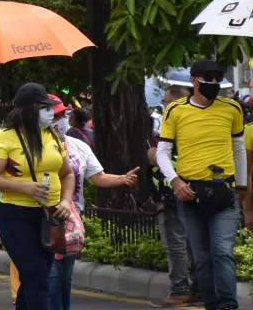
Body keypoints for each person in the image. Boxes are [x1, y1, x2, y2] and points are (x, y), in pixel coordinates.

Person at [156, 60, 248, 310]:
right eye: (209, 78)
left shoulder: (232, 108)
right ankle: (212, 304)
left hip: (223, 192)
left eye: (218, 78)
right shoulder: (175, 110)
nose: (215, 83)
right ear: (194, 80)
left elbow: (238, 148)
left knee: (222, 252)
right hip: (188, 193)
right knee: (202, 258)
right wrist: (175, 181)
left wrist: (241, 187)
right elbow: (163, 151)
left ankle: (228, 305)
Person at [0, 84, 75, 310]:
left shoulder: (51, 135)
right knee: (37, 274)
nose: (50, 113)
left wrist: (66, 201)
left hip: (49, 216)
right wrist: (24, 188)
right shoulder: (5, 136)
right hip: (15, 215)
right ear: (28, 109)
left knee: (33, 278)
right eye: (44, 107)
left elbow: (67, 173)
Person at [49, 111, 138, 310]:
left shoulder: (78, 146)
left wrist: (123, 179)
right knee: (51, 277)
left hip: (70, 221)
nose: (59, 121)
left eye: (61, 115)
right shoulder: (36, 146)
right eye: (53, 116)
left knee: (65, 277)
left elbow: (99, 177)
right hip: (44, 219)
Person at [148, 84, 197, 307]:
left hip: (171, 195)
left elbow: (158, 156)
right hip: (195, 192)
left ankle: (180, 290)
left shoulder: (174, 126)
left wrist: (152, 153)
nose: (164, 107)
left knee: (175, 243)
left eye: (166, 103)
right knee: (195, 243)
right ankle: (198, 289)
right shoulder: (197, 123)